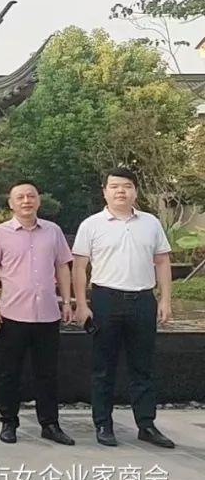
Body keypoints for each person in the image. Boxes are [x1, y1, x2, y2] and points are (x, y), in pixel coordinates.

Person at [72, 168, 175, 449]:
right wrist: (81, 304)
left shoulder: (151, 223)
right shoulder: (91, 225)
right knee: (103, 367)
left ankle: (146, 424)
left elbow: (162, 262)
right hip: (106, 300)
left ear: (135, 191)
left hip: (142, 299)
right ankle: (103, 424)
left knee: (143, 367)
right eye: (115, 186)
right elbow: (79, 267)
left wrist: (165, 300)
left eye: (127, 186)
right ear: (104, 192)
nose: (121, 191)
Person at [0, 181, 75, 446]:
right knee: (9, 372)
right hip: (13, 314)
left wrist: (66, 301)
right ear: (11, 203)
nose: (26, 201)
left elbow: (63, 266)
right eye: (20, 197)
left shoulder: (53, 231)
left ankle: (50, 424)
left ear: (38, 200)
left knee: (47, 373)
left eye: (31, 196)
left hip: (47, 314)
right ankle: (9, 423)